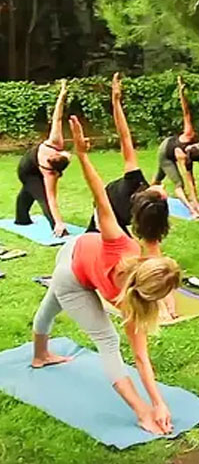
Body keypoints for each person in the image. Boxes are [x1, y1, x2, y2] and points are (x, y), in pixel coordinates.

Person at [31, 115, 181, 435]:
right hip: (71, 272)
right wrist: (146, 410)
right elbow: (99, 193)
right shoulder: (121, 250)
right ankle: (42, 355)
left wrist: (161, 403)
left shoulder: (126, 262)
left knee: (49, 307)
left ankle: (40, 355)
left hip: (79, 256)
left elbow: (142, 360)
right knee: (105, 339)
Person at [86, 73, 170, 257]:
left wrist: (116, 102)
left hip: (110, 211)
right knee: (98, 245)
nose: (165, 188)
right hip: (107, 209)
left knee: (127, 251)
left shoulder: (136, 184)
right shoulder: (138, 187)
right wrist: (116, 103)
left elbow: (125, 138)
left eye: (164, 192)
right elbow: (125, 137)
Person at [14, 79, 71, 237]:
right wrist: (59, 221)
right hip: (25, 170)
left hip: (34, 167)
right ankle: (58, 229)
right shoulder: (54, 146)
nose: (67, 151)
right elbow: (57, 118)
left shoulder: (50, 167)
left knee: (33, 192)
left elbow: (57, 118)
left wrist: (62, 94)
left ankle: (23, 219)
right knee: (37, 191)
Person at [152, 76, 199, 219]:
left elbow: (192, 182)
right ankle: (190, 210)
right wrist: (181, 93)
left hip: (171, 154)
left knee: (157, 180)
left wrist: (197, 201)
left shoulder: (186, 159)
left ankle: (143, 195)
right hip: (165, 152)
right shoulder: (189, 135)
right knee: (178, 183)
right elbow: (186, 113)